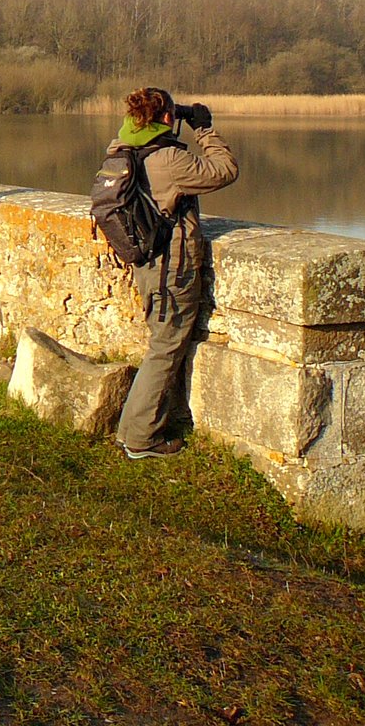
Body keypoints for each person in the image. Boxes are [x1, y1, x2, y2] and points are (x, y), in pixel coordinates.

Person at [107, 87, 238, 460]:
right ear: (167, 118)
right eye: (172, 115)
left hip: (146, 261)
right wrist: (204, 129)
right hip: (172, 269)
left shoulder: (121, 148)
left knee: (160, 346)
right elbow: (226, 170)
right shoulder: (168, 159)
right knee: (164, 350)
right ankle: (141, 440)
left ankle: (133, 430)